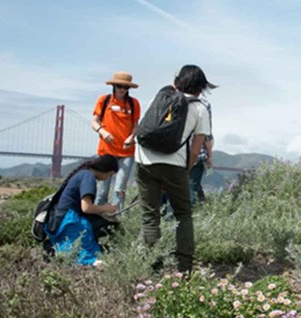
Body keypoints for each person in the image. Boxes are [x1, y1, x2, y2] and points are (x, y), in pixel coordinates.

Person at [135, 64, 216, 273]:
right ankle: (184, 268)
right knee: (183, 213)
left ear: (177, 81)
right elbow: (196, 150)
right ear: (201, 87)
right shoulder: (200, 109)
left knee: (150, 215)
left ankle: (152, 268)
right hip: (174, 164)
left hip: (143, 160)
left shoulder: (162, 97)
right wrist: (185, 171)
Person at [45, 155, 119, 266]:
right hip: (69, 220)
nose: (109, 177)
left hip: (62, 219)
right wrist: (107, 208)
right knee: (88, 257)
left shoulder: (84, 173)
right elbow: (86, 207)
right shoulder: (88, 177)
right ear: (105, 169)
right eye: (110, 174)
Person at [90, 71, 141, 210]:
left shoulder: (134, 103)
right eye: (119, 86)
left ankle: (116, 221)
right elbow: (94, 122)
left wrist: (131, 137)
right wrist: (102, 131)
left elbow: (136, 126)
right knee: (102, 191)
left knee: (119, 190)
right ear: (114, 86)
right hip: (106, 152)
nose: (122, 90)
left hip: (126, 152)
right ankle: (98, 220)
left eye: (125, 87)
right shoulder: (104, 100)